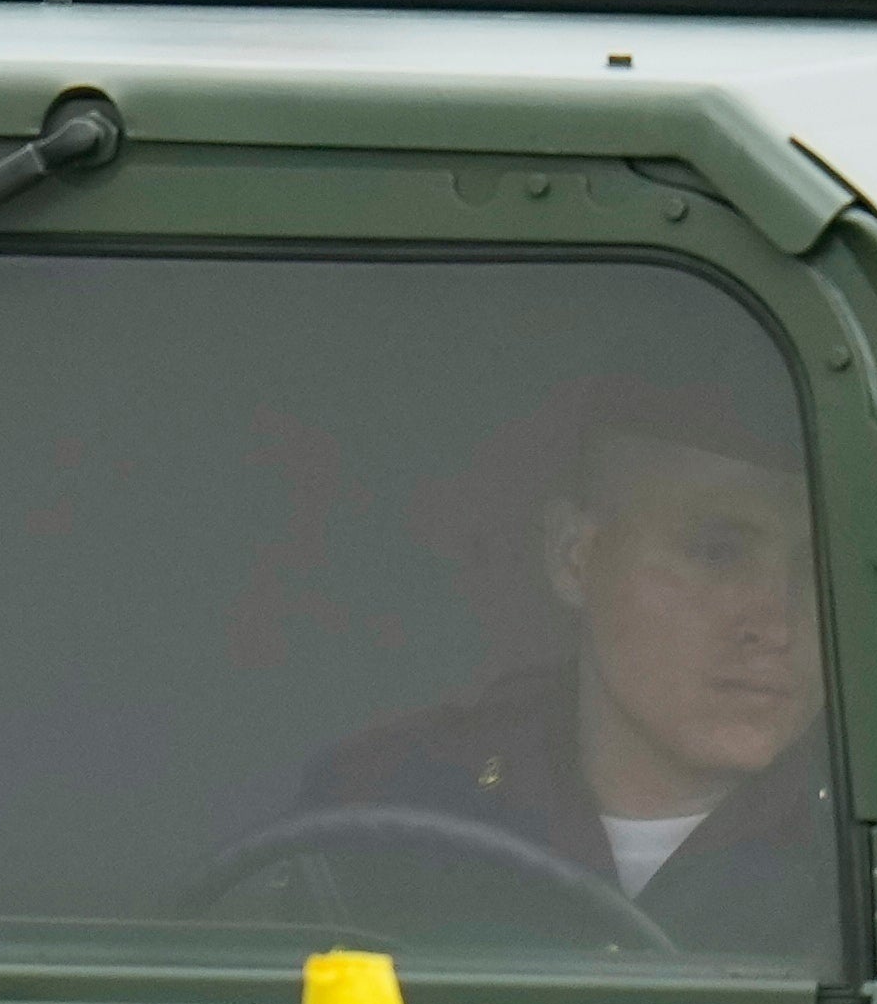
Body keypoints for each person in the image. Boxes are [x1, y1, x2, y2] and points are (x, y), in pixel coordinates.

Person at [274, 386, 836, 958]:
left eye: (818, 566)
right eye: (717, 554)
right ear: (575, 554)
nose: (778, 624)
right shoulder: (382, 817)